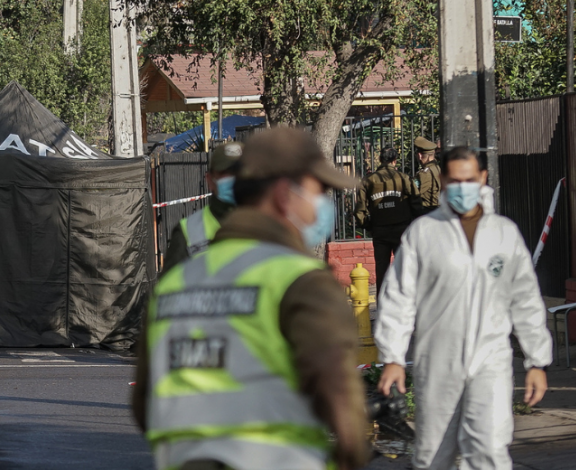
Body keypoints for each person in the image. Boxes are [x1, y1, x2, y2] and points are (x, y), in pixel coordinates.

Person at [133, 128, 370, 470]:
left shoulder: (174, 286)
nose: (324, 204)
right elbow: (338, 395)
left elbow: (145, 401)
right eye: (320, 191)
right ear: (284, 194)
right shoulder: (300, 281)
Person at [375, 147, 552, 470]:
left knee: (489, 451)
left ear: (483, 178)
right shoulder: (424, 233)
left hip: (491, 360)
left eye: (469, 180)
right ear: (443, 181)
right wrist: (392, 357)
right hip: (438, 359)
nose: (462, 188)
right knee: (432, 454)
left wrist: (537, 360)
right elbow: (398, 297)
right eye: (454, 181)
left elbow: (525, 299)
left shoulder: (504, 233)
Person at [163, 142, 243, 273]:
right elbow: (168, 289)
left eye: (239, 171)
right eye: (225, 173)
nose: (234, 179)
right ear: (209, 180)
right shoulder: (187, 233)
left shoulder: (271, 226)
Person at [354, 147, 422, 293]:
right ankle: (404, 306)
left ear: (380, 160)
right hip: (402, 230)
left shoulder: (368, 181)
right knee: (404, 270)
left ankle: (382, 307)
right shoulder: (404, 178)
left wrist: (369, 225)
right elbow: (417, 205)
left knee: (382, 271)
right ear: (394, 160)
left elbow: (360, 210)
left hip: (380, 231)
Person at [413, 136, 441, 214]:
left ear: (420, 155)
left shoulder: (424, 174)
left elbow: (412, 191)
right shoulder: (437, 168)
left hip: (427, 211)